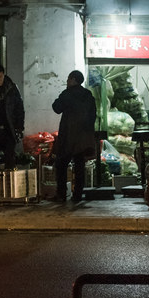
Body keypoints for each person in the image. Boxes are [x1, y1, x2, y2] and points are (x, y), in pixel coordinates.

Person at [51, 70, 97, 203]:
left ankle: (61, 194)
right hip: (83, 138)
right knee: (79, 166)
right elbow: (93, 115)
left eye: (68, 79)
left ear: (73, 80)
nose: (67, 82)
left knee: (61, 165)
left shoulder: (67, 94)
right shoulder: (88, 95)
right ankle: (77, 195)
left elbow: (56, 108)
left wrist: (60, 97)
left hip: (68, 136)